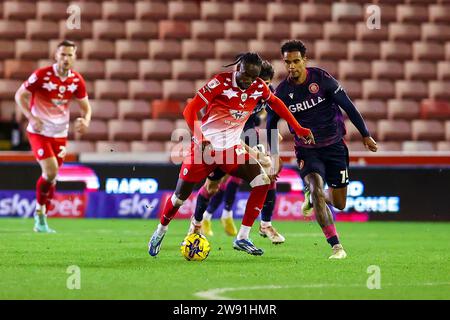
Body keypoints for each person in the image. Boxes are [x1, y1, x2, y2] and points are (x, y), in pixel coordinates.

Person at [148, 52, 314, 257]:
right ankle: (160, 231)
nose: (248, 81)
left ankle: (243, 237)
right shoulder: (220, 82)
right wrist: (200, 138)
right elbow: (190, 110)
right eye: (245, 76)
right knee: (179, 198)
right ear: (238, 69)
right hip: (204, 150)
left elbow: (277, 104)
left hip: (231, 150)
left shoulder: (258, 86)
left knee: (262, 181)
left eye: (253, 77)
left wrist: (298, 128)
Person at [267, 40, 378, 259]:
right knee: (317, 188)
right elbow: (271, 123)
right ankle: (336, 246)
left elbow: (348, 105)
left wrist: (365, 134)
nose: (291, 66)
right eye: (287, 62)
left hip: (335, 147)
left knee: (340, 203)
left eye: (296, 61)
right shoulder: (282, 92)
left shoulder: (322, 79)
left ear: (304, 60)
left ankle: (313, 196)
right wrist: (274, 154)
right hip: (308, 151)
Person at [193, 60, 286, 244]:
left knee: (268, 174)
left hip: (249, 133)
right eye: (260, 83)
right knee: (215, 185)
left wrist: (272, 148)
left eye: (267, 84)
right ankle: (203, 219)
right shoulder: (240, 93)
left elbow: (272, 120)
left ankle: (265, 224)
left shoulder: (267, 91)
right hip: (227, 136)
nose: (262, 87)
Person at [15, 40, 92, 233]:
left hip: (60, 134)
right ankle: (39, 216)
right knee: (50, 172)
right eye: (63, 54)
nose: (66, 58)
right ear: (56, 56)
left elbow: (86, 108)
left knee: (52, 177)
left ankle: (42, 217)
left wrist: (86, 120)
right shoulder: (42, 75)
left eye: (70, 55)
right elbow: (20, 95)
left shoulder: (76, 80)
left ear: (75, 58)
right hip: (39, 132)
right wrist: (31, 117)